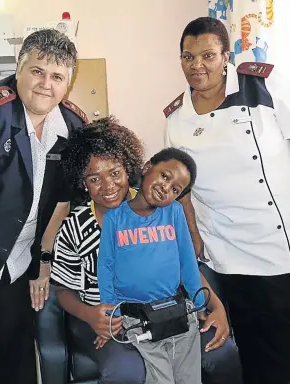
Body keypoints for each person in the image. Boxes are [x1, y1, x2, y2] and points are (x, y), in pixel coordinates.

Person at [50, 117, 242, 384]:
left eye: (115, 173)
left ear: (129, 169)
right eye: (95, 178)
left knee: (222, 351)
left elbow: (186, 265)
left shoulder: (159, 203)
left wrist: (216, 308)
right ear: (83, 182)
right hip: (104, 317)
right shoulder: (74, 227)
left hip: (167, 310)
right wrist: (92, 315)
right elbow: (62, 290)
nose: (108, 186)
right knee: (127, 370)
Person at [0, 29, 87, 384]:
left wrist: (42, 265)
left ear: (68, 84)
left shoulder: (71, 126)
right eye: (37, 71)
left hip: (18, 266)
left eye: (57, 76)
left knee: (15, 366)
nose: (45, 84)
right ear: (18, 68)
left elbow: (61, 201)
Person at [164, 16, 290, 384]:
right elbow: (181, 189)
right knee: (254, 352)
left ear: (226, 56)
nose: (196, 66)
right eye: (187, 57)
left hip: (277, 243)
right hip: (226, 251)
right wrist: (194, 236)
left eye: (207, 56)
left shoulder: (262, 84)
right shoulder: (178, 117)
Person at [97, 147, 206, 384]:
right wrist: (110, 315)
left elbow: (188, 261)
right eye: (165, 176)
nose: (166, 187)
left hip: (179, 312)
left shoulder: (174, 213)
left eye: (175, 189)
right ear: (147, 168)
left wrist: (200, 307)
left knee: (190, 379)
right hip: (138, 319)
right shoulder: (115, 218)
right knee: (161, 380)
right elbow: (105, 266)